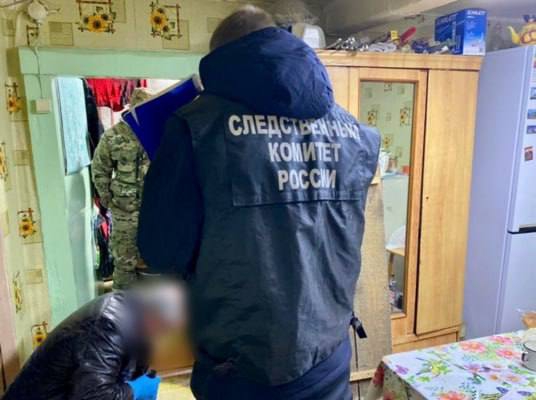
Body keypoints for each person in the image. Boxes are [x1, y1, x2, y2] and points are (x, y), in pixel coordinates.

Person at [138, 5, 380, 399]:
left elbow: (162, 251)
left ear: (221, 60)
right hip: (328, 354)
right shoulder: (356, 133)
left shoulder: (193, 127)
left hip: (240, 366)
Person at [2, 283, 185, 400]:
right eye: (163, 328)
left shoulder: (134, 310)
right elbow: (93, 396)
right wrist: (135, 390)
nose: (162, 336)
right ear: (152, 316)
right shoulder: (107, 328)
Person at [92, 88, 152, 290]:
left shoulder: (158, 131)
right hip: (124, 210)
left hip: (154, 210)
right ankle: (121, 304)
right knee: (124, 262)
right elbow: (100, 168)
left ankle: (151, 302)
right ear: (131, 108)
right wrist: (107, 198)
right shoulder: (113, 136)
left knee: (155, 259)